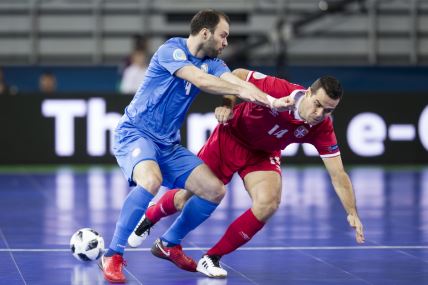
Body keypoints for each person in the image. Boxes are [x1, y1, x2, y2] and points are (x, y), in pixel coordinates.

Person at [100, 9, 294, 283]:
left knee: (214, 190)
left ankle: (169, 243)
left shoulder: (215, 63)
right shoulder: (172, 50)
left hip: (168, 145)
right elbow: (201, 80)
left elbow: (234, 84)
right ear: (205, 33)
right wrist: (240, 91)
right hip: (136, 133)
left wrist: (272, 102)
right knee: (151, 180)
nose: (226, 42)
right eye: (223, 35)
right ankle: (113, 254)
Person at [128, 68, 365, 278]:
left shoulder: (322, 126)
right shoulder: (278, 88)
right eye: (318, 104)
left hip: (263, 153)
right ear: (309, 93)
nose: (320, 113)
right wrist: (228, 104)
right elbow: (239, 75)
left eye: (328, 110)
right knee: (185, 197)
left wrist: (352, 211)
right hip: (231, 138)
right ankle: (150, 217)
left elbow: (338, 174)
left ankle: (210, 257)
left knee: (268, 203)